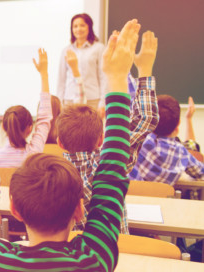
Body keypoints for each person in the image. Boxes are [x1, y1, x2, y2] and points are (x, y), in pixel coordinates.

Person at [0, 19, 140, 272]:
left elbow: (110, 174)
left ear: (14, 208)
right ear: (80, 210)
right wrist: (118, 78)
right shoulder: (94, 261)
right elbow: (110, 175)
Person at [57, 30, 159, 234]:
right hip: (112, 258)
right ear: (101, 139)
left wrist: (77, 74)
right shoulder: (111, 163)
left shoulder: (51, 176)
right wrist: (144, 68)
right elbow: (146, 118)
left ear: (59, 142)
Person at [0, 48, 52, 168]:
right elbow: (44, 118)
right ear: (29, 129)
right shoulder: (33, 154)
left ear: (3, 126)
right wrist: (44, 74)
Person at [129, 94, 204, 185]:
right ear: (178, 124)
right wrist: (188, 119)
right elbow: (201, 172)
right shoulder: (181, 153)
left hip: (130, 196)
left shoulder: (136, 141)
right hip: (160, 199)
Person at [57, 13, 106, 113]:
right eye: (75, 26)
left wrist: (102, 103)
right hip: (70, 100)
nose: (78, 29)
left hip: (92, 100)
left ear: (89, 27)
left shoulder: (99, 48)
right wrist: (59, 102)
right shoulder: (66, 50)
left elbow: (103, 77)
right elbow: (61, 79)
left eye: (82, 25)